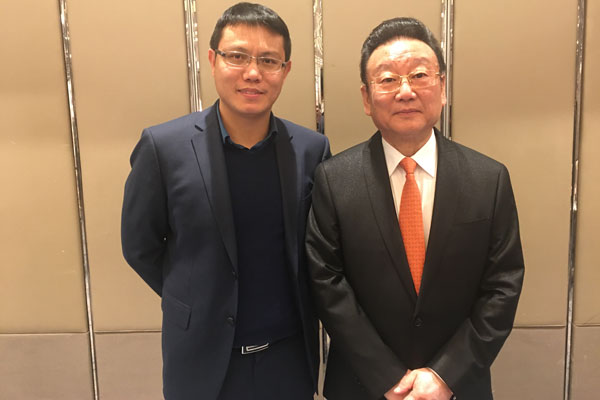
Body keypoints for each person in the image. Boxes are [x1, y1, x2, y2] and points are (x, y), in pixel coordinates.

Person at [306, 17, 524, 400]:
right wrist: (388, 378)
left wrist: (445, 375)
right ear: (366, 97)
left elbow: (503, 284)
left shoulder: (488, 179)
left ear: (442, 88)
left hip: (457, 387)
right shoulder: (333, 180)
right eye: (388, 79)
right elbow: (327, 283)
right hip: (362, 386)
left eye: (420, 75)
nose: (406, 91)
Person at [121, 3, 330, 399]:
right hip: (201, 361)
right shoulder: (163, 147)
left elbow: (319, 252)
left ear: (285, 70)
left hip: (288, 362)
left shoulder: (311, 150)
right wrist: (195, 298)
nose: (253, 72)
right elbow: (139, 247)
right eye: (238, 56)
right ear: (213, 60)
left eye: (268, 60)